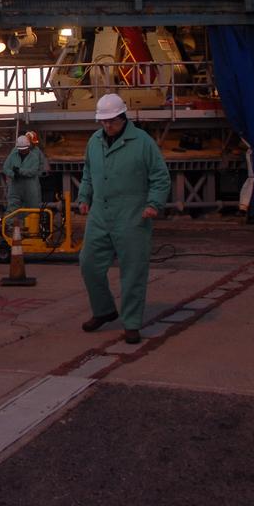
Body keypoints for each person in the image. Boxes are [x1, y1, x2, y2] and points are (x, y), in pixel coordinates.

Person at [77, 93, 170, 344]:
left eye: (111, 121)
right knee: (88, 263)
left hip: (133, 216)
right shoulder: (94, 142)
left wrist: (153, 204)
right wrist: (84, 197)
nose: (107, 126)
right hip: (99, 215)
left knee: (133, 271)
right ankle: (104, 310)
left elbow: (160, 176)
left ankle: (131, 323)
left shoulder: (142, 142)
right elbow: (87, 172)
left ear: (122, 117)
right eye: (103, 122)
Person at [3, 133, 45, 230]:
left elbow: (35, 170)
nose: (23, 151)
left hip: (31, 186)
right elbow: (6, 167)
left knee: (32, 209)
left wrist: (20, 171)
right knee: (13, 207)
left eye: (25, 149)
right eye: (21, 150)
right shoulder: (13, 154)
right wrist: (13, 174)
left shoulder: (35, 155)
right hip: (15, 186)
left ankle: (32, 229)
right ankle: (9, 227)